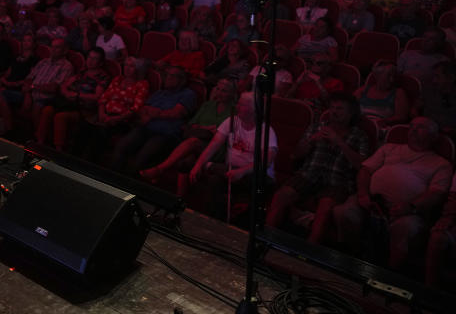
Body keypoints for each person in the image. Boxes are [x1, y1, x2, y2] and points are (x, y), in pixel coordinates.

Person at [333, 117, 452, 269]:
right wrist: (363, 194)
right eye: (412, 126)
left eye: (420, 127)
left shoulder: (441, 164)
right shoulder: (389, 148)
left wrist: (411, 207)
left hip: (409, 211)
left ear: (434, 136)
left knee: (407, 227)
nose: (413, 129)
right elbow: (365, 171)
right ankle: (353, 261)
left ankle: (389, 274)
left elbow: (436, 193)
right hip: (371, 201)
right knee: (344, 212)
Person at [266, 94, 370, 243]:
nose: (334, 112)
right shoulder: (317, 127)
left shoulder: (359, 136)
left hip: (337, 182)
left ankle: (309, 251)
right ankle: (266, 239)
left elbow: (362, 165)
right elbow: (295, 155)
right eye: (332, 108)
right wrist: (311, 141)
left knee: (325, 209)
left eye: (339, 109)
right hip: (309, 174)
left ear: (351, 113)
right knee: (281, 195)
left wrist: (339, 142)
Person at [186, 92, 278, 219]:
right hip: (230, 171)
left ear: (253, 109)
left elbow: (265, 162)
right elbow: (213, 145)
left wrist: (241, 171)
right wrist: (198, 165)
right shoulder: (231, 121)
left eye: (242, 104)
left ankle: (209, 166)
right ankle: (213, 221)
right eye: (238, 103)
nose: (237, 106)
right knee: (214, 181)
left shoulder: (266, 131)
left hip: (257, 177)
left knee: (237, 176)